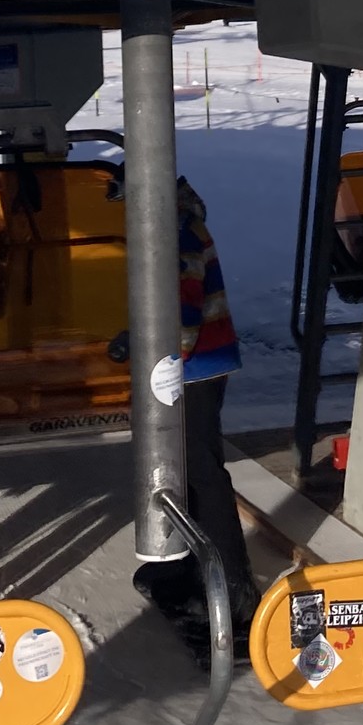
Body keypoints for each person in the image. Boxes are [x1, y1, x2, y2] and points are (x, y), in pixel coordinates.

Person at [132, 178, 260, 655]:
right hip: (196, 364)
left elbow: (183, 308)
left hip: (195, 368)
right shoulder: (177, 228)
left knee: (203, 471)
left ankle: (233, 589)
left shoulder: (179, 234)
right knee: (185, 470)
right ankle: (196, 568)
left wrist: (166, 362)